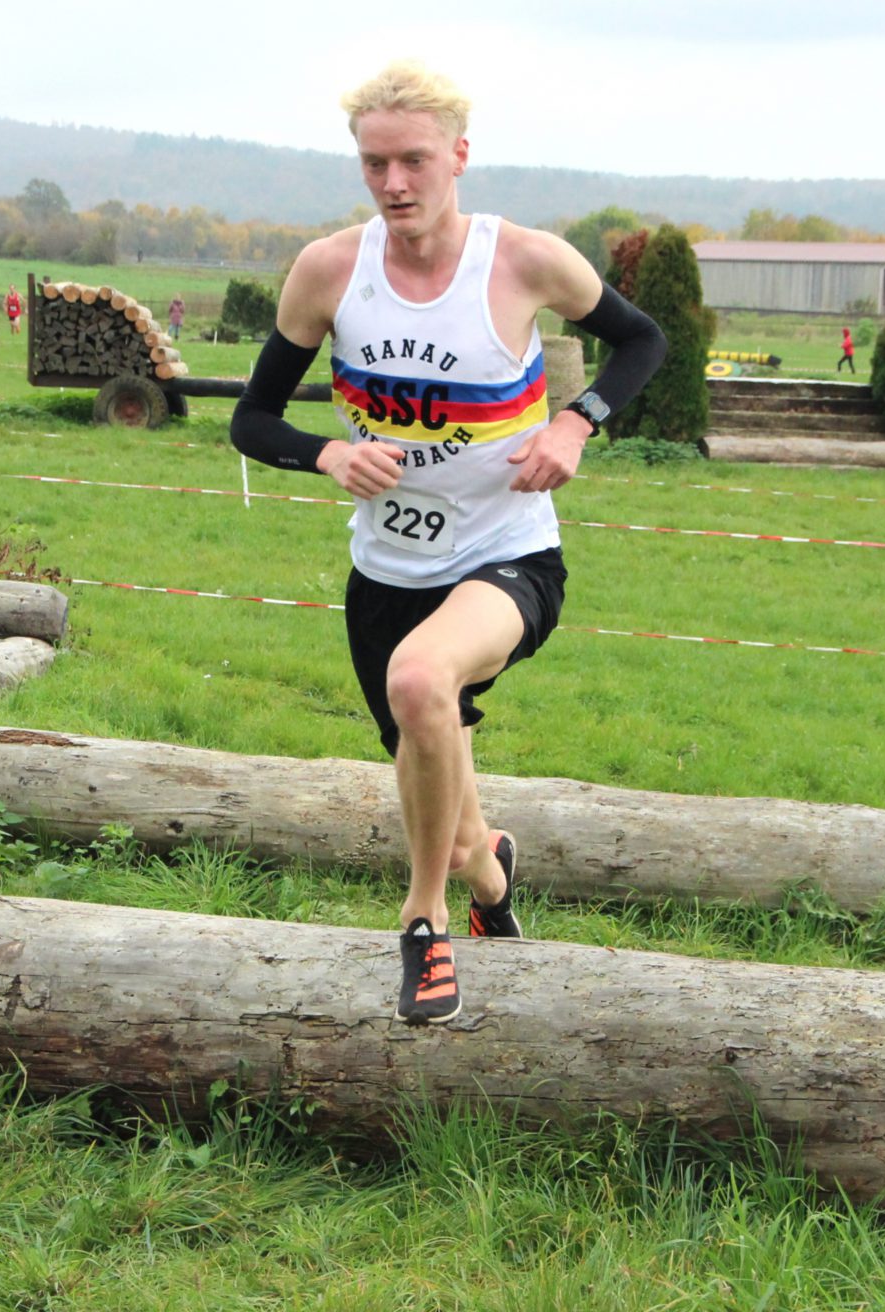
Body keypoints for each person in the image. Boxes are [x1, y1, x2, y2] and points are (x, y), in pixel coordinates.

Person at [230, 61, 666, 1026]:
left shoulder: (524, 261)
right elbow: (253, 419)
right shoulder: (329, 272)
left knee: (424, 680)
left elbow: (644, 342)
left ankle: (422, 925)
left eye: (414, 160)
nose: (394, 184)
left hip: (507, 554)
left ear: (458, 156)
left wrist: (574, 422)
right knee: (454, 809)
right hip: (386, 571)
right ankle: (487, 876)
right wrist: (328, 455)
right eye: (374, 163)